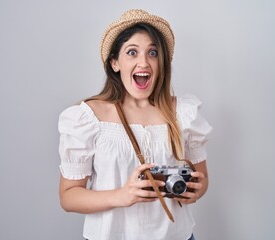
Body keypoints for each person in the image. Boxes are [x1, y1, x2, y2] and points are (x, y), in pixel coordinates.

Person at [58, 9, 212, 240]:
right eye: (132, 52)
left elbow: (202, 179)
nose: (144, 62)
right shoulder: (88, 118)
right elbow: (68, 197)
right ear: (115, 63)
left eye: (152, 52)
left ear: (161, 63)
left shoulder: (184, 113)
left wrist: (194, 192)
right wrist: (122, 195)